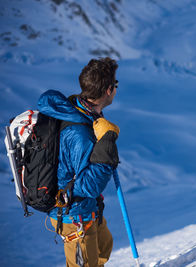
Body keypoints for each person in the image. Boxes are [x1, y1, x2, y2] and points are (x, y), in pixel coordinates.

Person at [37, 57, 120, 266]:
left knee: (104, 247)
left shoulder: (79, 110)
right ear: (109, 90)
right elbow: (87, 185)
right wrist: (107, 143)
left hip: (87, 208)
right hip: (74, 214)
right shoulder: (79, 133)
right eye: (115, 85)